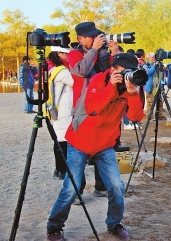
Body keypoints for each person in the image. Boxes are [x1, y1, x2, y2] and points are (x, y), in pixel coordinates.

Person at [46, 53, 142, 241]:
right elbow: (92, 108)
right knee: (71, 188)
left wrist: (132, 94)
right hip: (80, 141)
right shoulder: (99, 79)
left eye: (131, 72)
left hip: (105, 144)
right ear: (113, 69)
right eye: (124, 72)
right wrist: (111, 87)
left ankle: (114, 224)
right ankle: (54, 227)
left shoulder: (132, 86)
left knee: (116, 186)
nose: (127, 76)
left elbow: (135, 117)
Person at [68, 21, 123, 198]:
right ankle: (78, 191)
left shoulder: (101, 53)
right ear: (80, 39)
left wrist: (115, 54)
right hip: (83, 109)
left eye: (95, 36)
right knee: (79, 150)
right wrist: (93, 50)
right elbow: (82, 71)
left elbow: (112, 73)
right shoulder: (74, 53)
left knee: (104, 144)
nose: (94, 39)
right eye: (90, 37)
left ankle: (101, 186)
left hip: (103, 105)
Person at [46, 46, 73, 180]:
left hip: (56, 110)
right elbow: (75, 83)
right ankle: (63, 170)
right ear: (58, 54)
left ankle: (58, 169)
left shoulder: (52, 70)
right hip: (64, 110)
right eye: (65, 53)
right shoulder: (62, 72)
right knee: (63, 141)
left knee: (58, 140)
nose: (68, 55)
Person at [142, 52, 166, 120]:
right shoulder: (146, 65)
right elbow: (148, 72)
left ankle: (159, 115)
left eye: (154, 57)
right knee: (150, 101)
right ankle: (149, 115)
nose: (153, 58)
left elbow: (161, 74)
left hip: (157, 85)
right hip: (150, 86)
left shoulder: (158, 64)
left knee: (160, 101)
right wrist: (154, 66)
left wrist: (161, 67)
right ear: (148, 58)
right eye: (151, 57)